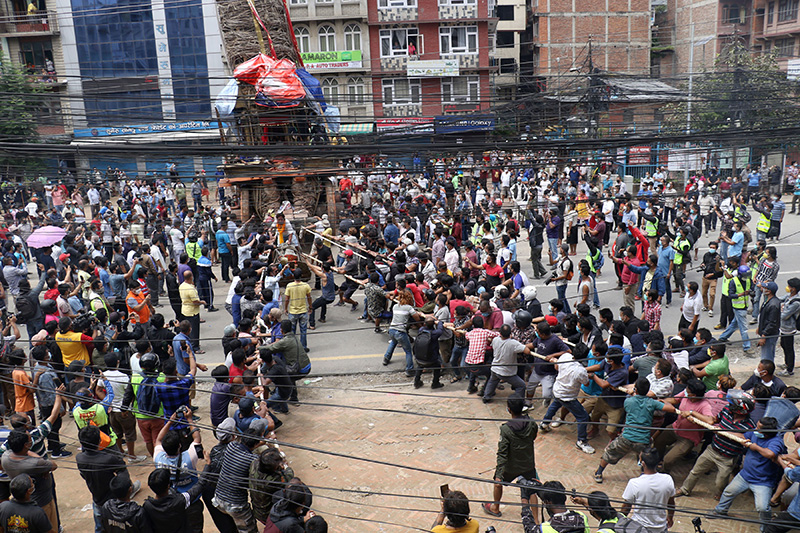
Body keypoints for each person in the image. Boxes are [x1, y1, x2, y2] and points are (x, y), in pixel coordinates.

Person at [707, 417, 786, 527]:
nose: (755, 429)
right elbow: (743, 436)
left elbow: (770, 454)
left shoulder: (776, 441)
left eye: (758, 428)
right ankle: (720, 511)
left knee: (762, 507)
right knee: (728, 492)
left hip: (762, 482)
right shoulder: (754, 433)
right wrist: (724, 431)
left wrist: (754, 447)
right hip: (745, 475)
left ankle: (766, 526)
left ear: (766, 433)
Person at [594, 378, 676, 483]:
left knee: (610, 452)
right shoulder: (652, 403)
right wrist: (662, 401)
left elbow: (634, 402)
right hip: (643, 440)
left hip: (627, 437)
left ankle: (599, 472)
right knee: (646, 459)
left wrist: (633, 393)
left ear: (636, 389)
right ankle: (644, 476)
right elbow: (672, 409)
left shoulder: (628, 401)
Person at [676, 392, 757, 499]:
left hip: (727, 458)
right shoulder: (727, 410)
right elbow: (713, 420)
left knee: (720, 481)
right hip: (712, 450)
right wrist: (694, 415)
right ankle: (685, 489)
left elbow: (744, 439)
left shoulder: (750, 425)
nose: (730, 405)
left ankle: (720, 493)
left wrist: (723, 431)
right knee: (695, 471)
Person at [76, 425, 139, 533]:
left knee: (100, 526)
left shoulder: (79, 458)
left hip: (97, 497)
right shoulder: (108, 459)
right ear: (100, 440)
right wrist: (122, 487)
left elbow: (83, 475)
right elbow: (122, 470)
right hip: (112, 497)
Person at [483, 396, 537, 517]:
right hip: (528, 463)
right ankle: (536, 519)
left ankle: (495, 507)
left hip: (511, 467)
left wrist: (498, 474)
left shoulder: (506, 429)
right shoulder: (531, 422)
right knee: (532, 489)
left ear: (509, 410)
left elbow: (502, 453)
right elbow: (533, 437)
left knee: (498, 483)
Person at [539, 350, 595, 454]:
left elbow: (556, 367)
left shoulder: (565, 356)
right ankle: (581, 441)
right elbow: (586, 384)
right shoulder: (580, 370)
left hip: (558, 389)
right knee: (583, 417)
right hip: (568, 396)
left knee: (555, 405)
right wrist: (590, 376)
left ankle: (544, 423)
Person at [213, 425, 266, 532]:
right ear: (256, 444)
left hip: (218, 498)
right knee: (248, 529)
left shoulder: (231, 446)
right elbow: (261, 461)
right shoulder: (253, 460)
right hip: (236, 505)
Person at [621, 448, 675, 533]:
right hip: (660, 527)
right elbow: (671, 503)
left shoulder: (634, 483)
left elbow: (626, 507)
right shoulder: (668, 479)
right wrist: (670, 517)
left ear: (643, 464)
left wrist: (620, 521)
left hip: (639, 527)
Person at [143, 467, 204, 533]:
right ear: (168, 486)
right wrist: (208, 465)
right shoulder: (178, 501)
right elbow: (198, 487)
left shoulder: (147, 506)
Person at [482, 324, 532, 403]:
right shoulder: (513, 343)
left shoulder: (495, 339)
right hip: (506, 372)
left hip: (495, 367)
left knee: (492, 381)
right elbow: (527, 351)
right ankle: (519, 401)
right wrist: (520, 345)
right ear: (510, 334)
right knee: (521, 385)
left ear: (500, 333)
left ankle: (486, 397)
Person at [718, 265, 753, 355]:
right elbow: (731, 295)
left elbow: (752, 289)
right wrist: (741, 294)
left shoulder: (748, 280)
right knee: (743, 328)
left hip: (744, 306)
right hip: (738, 308)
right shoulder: (733, 282)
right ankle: (747, 346)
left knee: (735, 324)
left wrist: (752, 292)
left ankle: (723, 337)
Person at [283, 269, 312, 351]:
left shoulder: (289, 286)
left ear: (293, 276)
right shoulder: (306, 286)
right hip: (303, 311)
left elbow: (287, 299)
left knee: (292, 331)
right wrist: (310, 307)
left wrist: (285, 308)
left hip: (292, 311)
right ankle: (303, 347)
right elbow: (309, 297)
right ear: (301, 276)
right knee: (303, 330)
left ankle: (293, 347)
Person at [179, 270, 204, 353]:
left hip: (185, 310)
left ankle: (191, 343)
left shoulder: (182, 285)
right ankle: (195, 347)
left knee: (189, 329)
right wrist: (202, 302)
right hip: (192, 311)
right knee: (194, 330)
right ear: (191, 277)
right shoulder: (190, 288)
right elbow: (195, 301)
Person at [779, 277, 800, 376]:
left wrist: (780, 310)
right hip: (783, 328)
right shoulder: (789, 296)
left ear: (794, 288)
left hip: (789, 328)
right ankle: (787, 363)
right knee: (783, 345)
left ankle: (789, 369)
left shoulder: (796, 302)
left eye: (789, 286)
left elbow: (784, 316)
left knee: (789, 348)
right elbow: (780, 299)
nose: (788, 288)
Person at [757, 281, 782, 362]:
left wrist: (764, 335)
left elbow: (772, 323)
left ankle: (767, 371)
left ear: (769, 291)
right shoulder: (767, 301)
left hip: (770, 335)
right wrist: (759, 328)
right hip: (766, 332)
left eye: (764, 288)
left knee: (767, 356)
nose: (762, 289)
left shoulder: (773, 304)